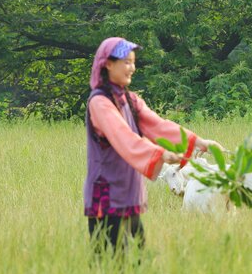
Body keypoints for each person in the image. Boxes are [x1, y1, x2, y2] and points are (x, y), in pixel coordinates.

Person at [84, 37, 223, 260]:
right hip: (106, 194)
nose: (132, 67)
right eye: (126, 62)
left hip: (129, 191)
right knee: (109, 259)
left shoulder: (130, 100)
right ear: (107, 64)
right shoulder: (100, 103)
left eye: (133, 62)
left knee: (137, 256)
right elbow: (123, 138)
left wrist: (198, 142)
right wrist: (161, 154)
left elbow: (159, 126)